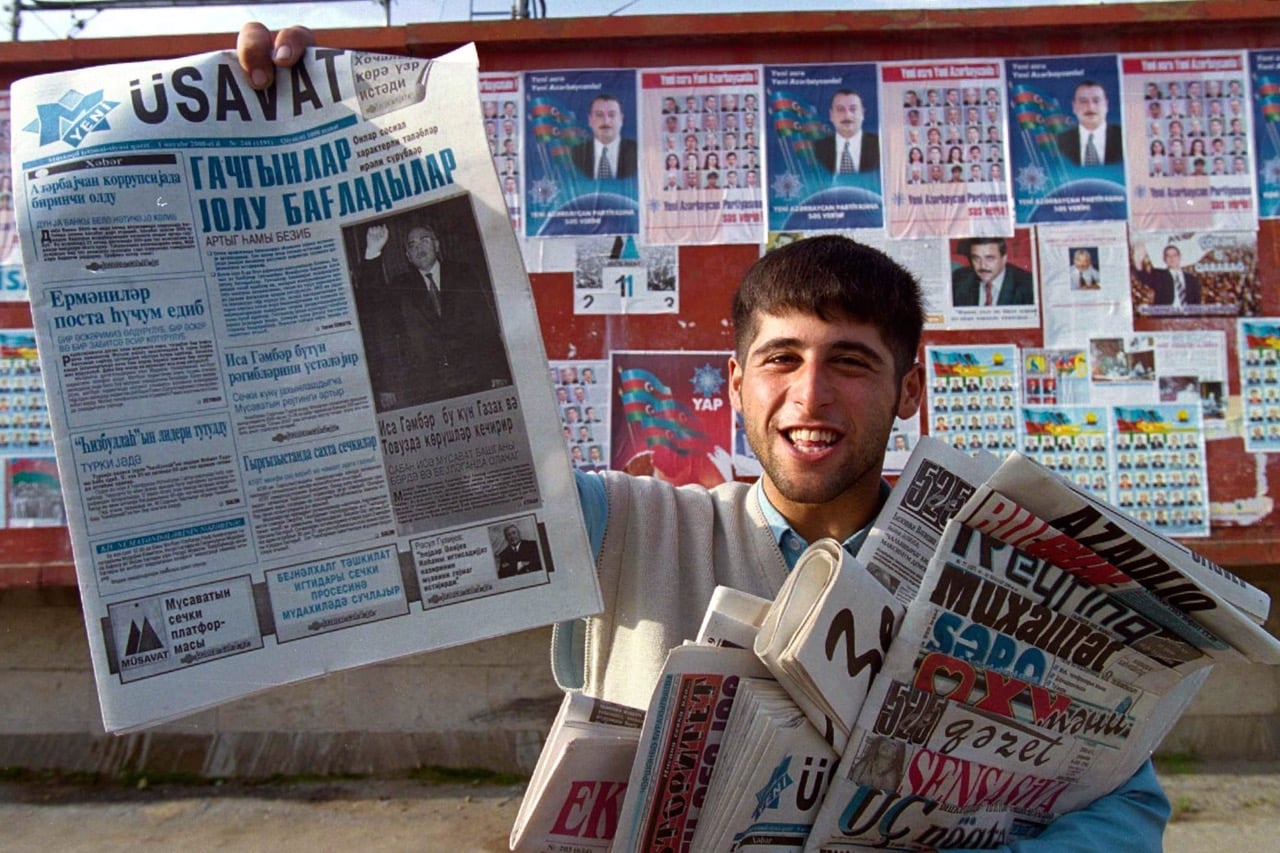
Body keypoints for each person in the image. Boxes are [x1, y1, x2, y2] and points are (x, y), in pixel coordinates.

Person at [238, 26, 1170, 850]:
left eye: (850, 361)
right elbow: (407, 457)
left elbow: (1125, 801)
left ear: (909, 388)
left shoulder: (984, 572)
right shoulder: (629, 527)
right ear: (734, 384)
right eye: (781, 359)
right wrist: (317, 154)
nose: (811, 395)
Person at [354, 213, 512, 411]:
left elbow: (485, 324)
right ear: (408, 256)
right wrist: (373, 253)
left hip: (473, 380)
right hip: (426, 388)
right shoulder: (400, 286)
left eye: (424, 240)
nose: (418, 247)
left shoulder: (464, 274)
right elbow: (372, 305)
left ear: (437, 245)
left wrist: (498, 371)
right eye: (412, 245)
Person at [569, 93, 637, 179]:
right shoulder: (574, 155)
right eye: (599, 115)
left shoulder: (638, 152)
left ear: (621, 119)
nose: (606, 121)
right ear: (590, 120)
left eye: (612, 115)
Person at [1056, 79, 1123, 166]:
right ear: (1074, 107)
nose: (1090, 107)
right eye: (1083, 101)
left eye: (1096, 101)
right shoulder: (1059, 142)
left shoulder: (1124, 137)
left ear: (1106, 105)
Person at [951, 237, 1035, 306]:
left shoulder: (1028, 285)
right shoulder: (959, 279)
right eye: (976, 258)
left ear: (1004, 258)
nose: (982, 266)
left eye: (989, 258)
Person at [813, 89, 880, 174]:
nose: (847, 115)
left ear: (862, 113)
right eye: (840, 109)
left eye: (853, 109)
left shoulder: (880, 146)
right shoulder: (817, 149)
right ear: (831, 115)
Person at [1133, 242, 1203, 307]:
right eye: (1168, 256)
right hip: (1166, 317)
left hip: (1188, 318)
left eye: (1174, 255)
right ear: (1164, 259)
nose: (1171, 258)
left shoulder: (1192, 279)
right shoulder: (1159, 275)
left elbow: (1197, 303)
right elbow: (1143, 277)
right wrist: (1137, 259)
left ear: (1179, 257)